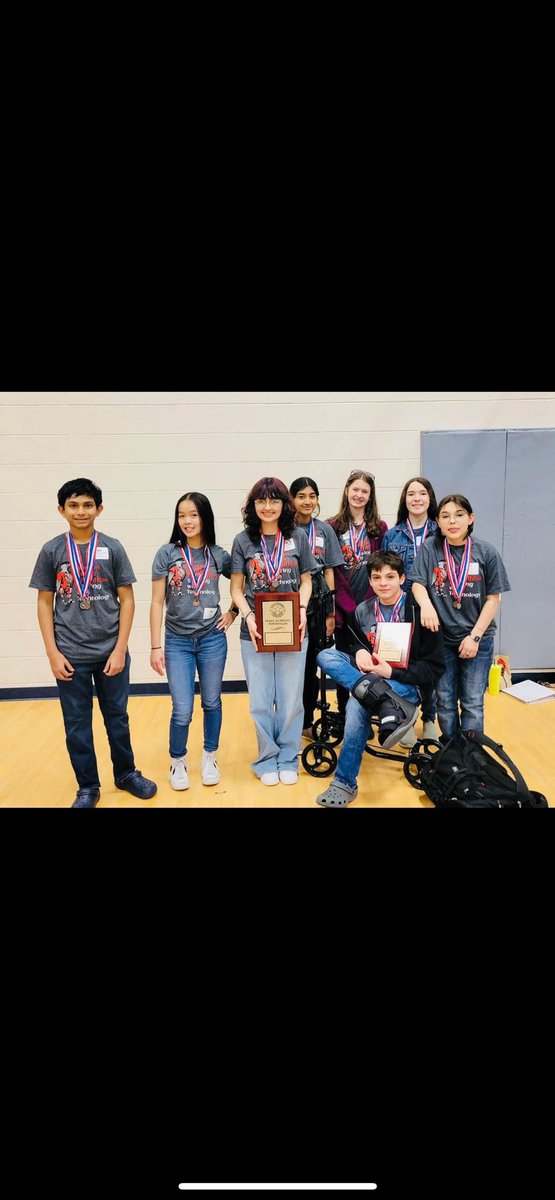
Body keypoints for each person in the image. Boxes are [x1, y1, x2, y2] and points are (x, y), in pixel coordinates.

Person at [29, 478, 158, 808]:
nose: (81, 511)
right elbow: (45, 603)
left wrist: (119, 649)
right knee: (77, 725)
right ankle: (87, 786)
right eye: (73, 505)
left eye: (87, 505)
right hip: (69, 655)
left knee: (117, 718)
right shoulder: (52, 550)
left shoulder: (112, 547)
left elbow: (127, 600)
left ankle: (126, 773)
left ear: (99, 509)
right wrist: (52, 653)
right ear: (61, 510)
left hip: (110, 653)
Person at [314, 550, 446, 806]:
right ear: (370, 581)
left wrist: (391, 672)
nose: (383, 583)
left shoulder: (420, 612)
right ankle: (385, 702)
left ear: (402, 579)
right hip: (372, 678)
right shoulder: (362, 611)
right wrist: (360, 650)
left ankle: (344, 783)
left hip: (406, 685)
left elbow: (434, 668)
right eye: (376, 577)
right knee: (326, 657)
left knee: (357, 703)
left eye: (390, 577)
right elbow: (351, 645)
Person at [230, 477, 316, 786]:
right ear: (253, 506)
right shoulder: (243, 541)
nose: (268, 507)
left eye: (274, 501)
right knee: (261, 700)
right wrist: (248, 614)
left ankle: (288, 757)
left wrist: (303, 609)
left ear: (284, 504)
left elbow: (307, 580)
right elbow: (237, 588)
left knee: (292, 698)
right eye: (261, 501)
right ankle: (266, 757)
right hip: (254, 632)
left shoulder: (299, 537)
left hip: (294, 628)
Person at [150, 492, 238, 791]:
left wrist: (234, 612)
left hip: (212, 639)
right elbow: (156, 601)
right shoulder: (167, 553)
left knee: (212, 702)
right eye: (181, 515)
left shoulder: (219, 554)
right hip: (177, 642)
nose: (187, 521)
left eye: (193, 515)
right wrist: (155, 646)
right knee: (183, 708)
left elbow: (245, 585)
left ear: (205, 517)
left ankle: (209, 757)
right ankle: (177, 761)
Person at [408, 494, 511, 744]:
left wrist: (474, 637)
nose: (452, 521)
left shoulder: (486, 552)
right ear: (438, 522)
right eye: (445, 516)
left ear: (470, 519)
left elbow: (493, 599)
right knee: (444, 699)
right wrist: (426, 606)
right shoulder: (430, 548)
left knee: (473, 702)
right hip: (441, 640)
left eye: (459, 515)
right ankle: (451, 753)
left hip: (477, 639)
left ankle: (472, 757)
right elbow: (418, 585)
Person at [382, 477, 439, 746]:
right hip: (401, 610)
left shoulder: (440, 532)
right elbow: (383, 573)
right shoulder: (392, 535)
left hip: (433, 609)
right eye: (411, 494)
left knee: (427, 666)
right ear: (405, 500)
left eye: (422, 493)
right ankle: (405, 716)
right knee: (403, 665)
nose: (416, 498)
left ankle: (430, 718)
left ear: (430, 498)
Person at [327, 469, 388, 718]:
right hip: (343, 609)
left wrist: (366, 604)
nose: (359, 495)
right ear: (346, 491)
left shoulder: (379, 528)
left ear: (370, 496)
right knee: (345, 661)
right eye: (355, 490)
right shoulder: (332, 526)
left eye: (365, 491)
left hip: (370, 607)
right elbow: (332, 570)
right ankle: (345, 712)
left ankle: (370, 711)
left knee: (371, 661)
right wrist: (346, 604)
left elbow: (382, 569)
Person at [289, 476, 344, 738]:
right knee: (294, 666)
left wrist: (331, 612)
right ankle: (290, 719)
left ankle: (307, 721)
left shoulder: (325, 530)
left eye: (312, 496)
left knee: (313, 664)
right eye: (301, 496)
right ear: (291, 500)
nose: (307, 501)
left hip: (319, 604)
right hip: (291, 604)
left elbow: (331, 571)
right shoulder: (284, 530)